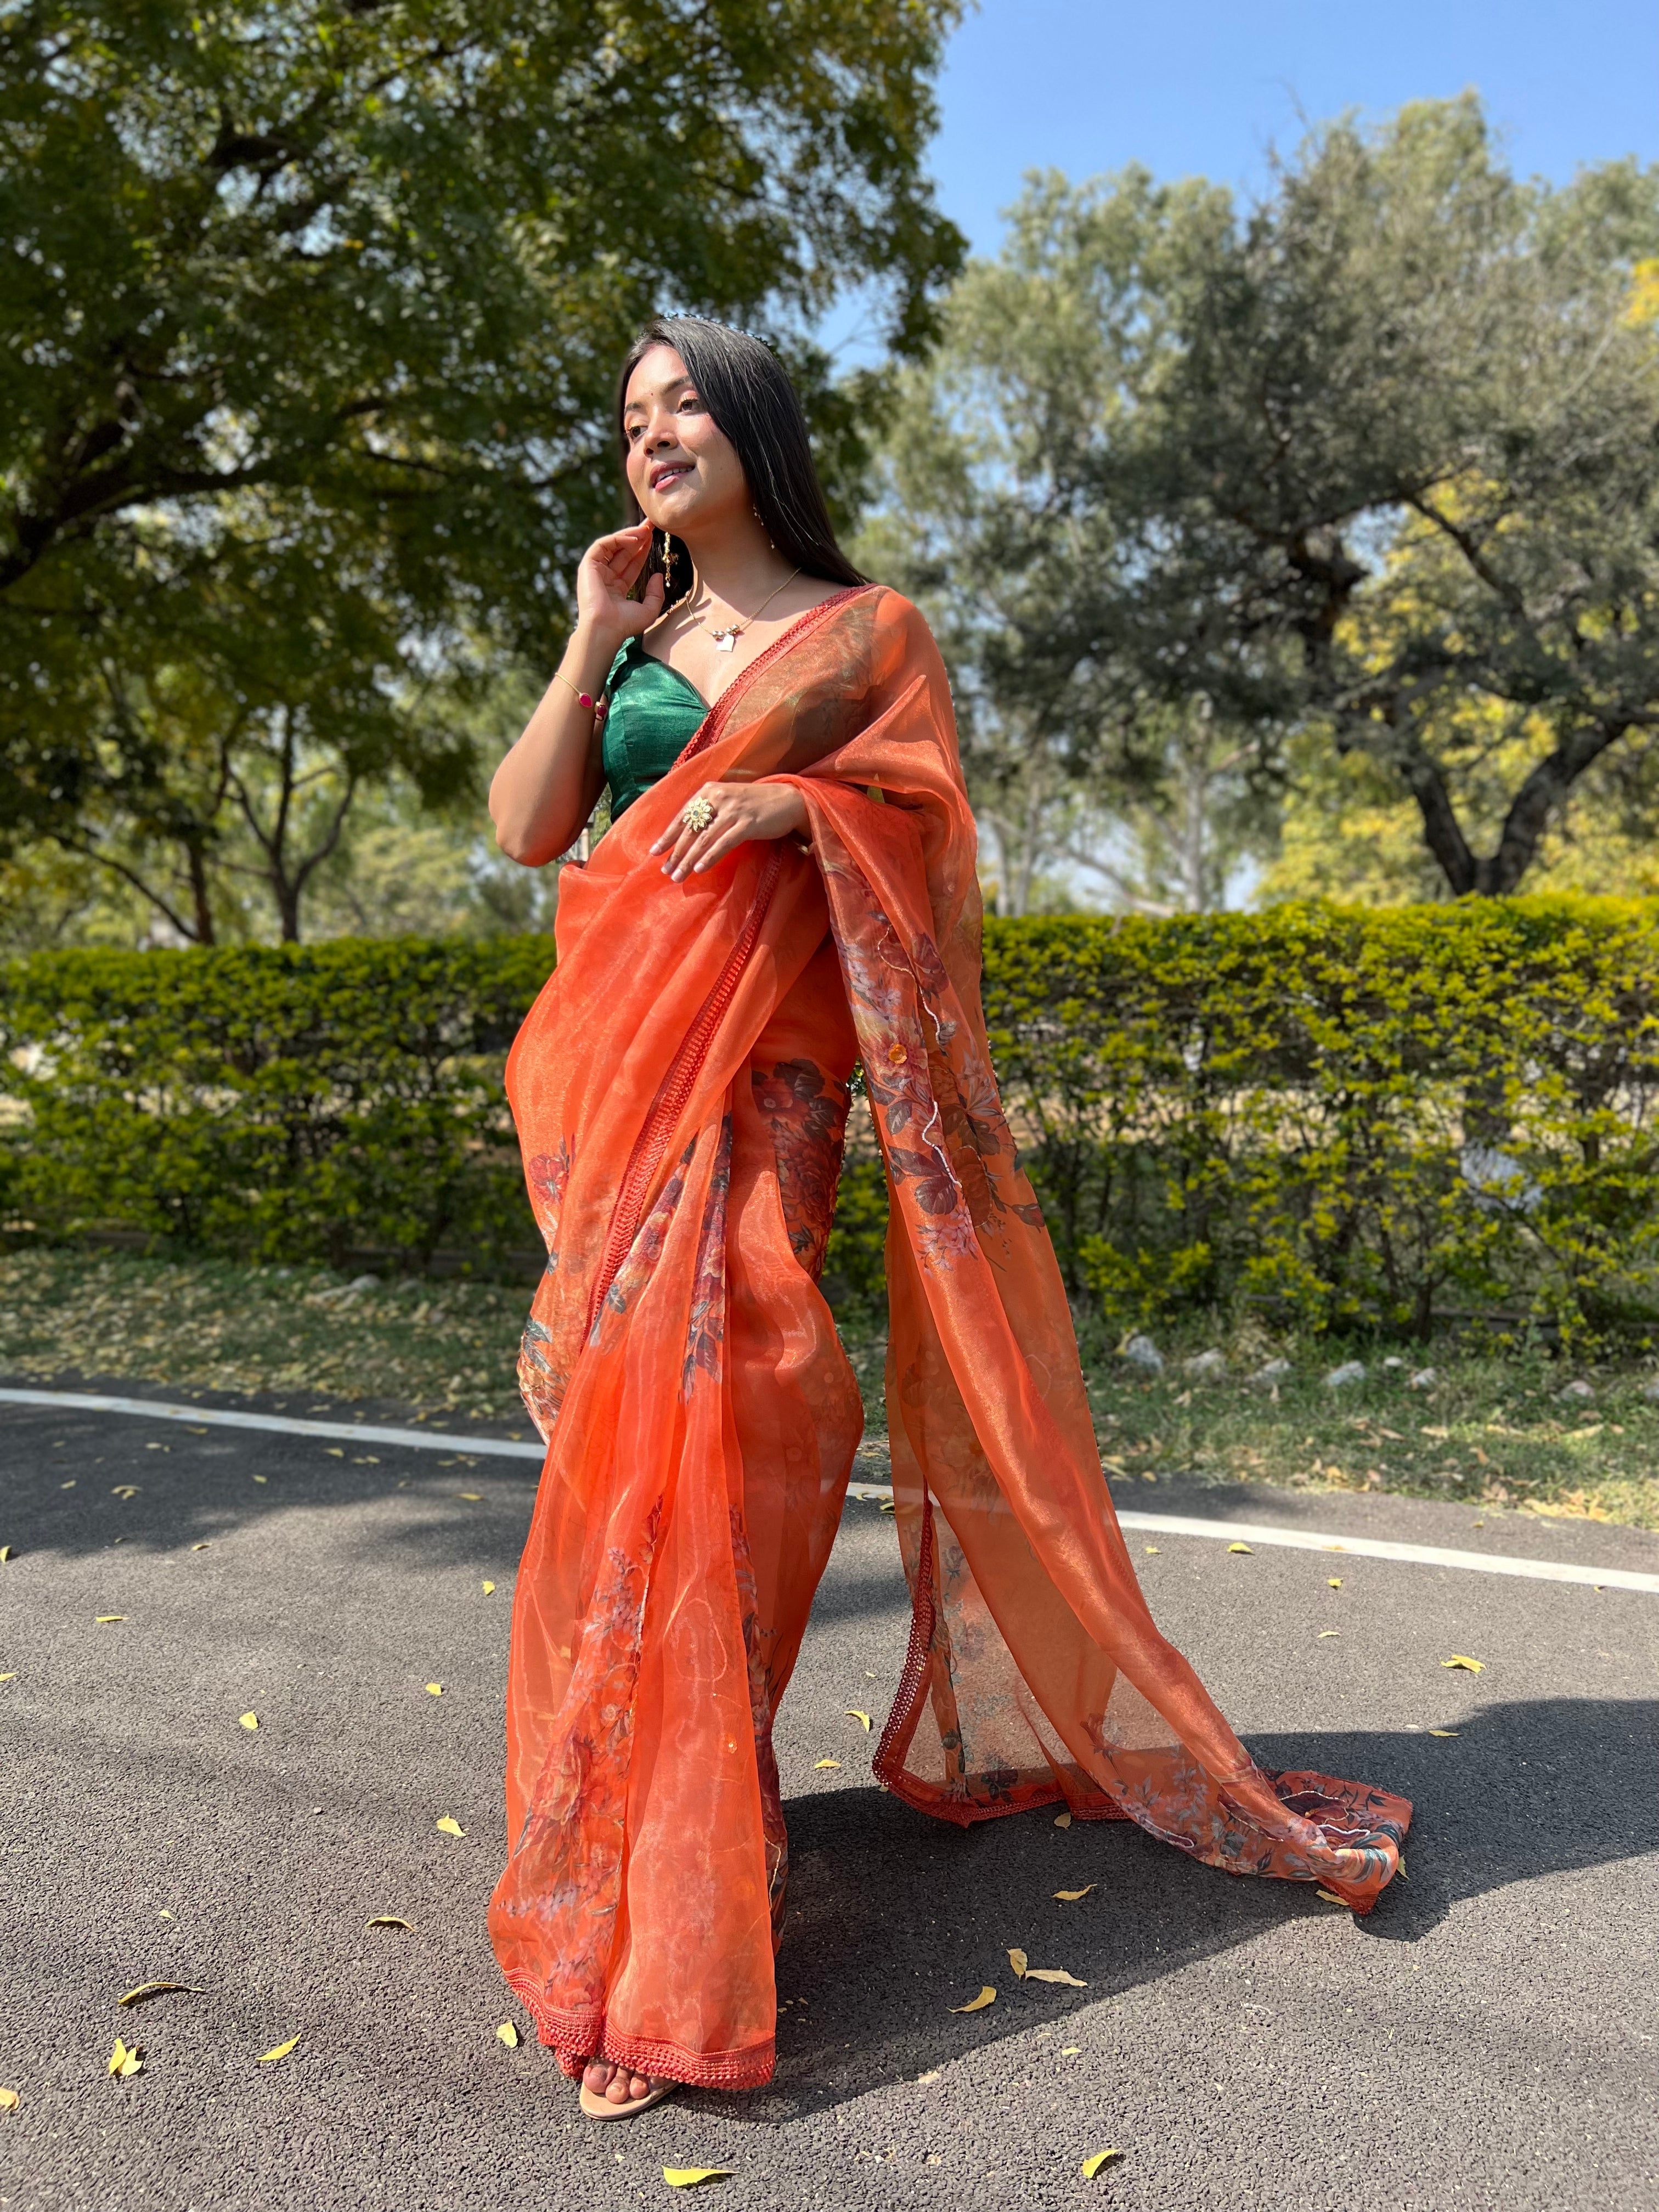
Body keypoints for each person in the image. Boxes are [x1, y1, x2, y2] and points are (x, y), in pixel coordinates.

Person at [486, 317, 1410, 2121]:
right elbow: (534, 833)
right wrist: (597, 631)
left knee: (759, 1407)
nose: (651, 432)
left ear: (754, 421)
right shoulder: (641, 639)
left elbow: (925, 841)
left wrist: (795, 805)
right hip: (616, 1095)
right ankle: (668, 1839)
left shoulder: (868, 634)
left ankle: (693, 1853)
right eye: (627, 417)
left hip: (774, 1091)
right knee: (629, 1451)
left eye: (682, 400)